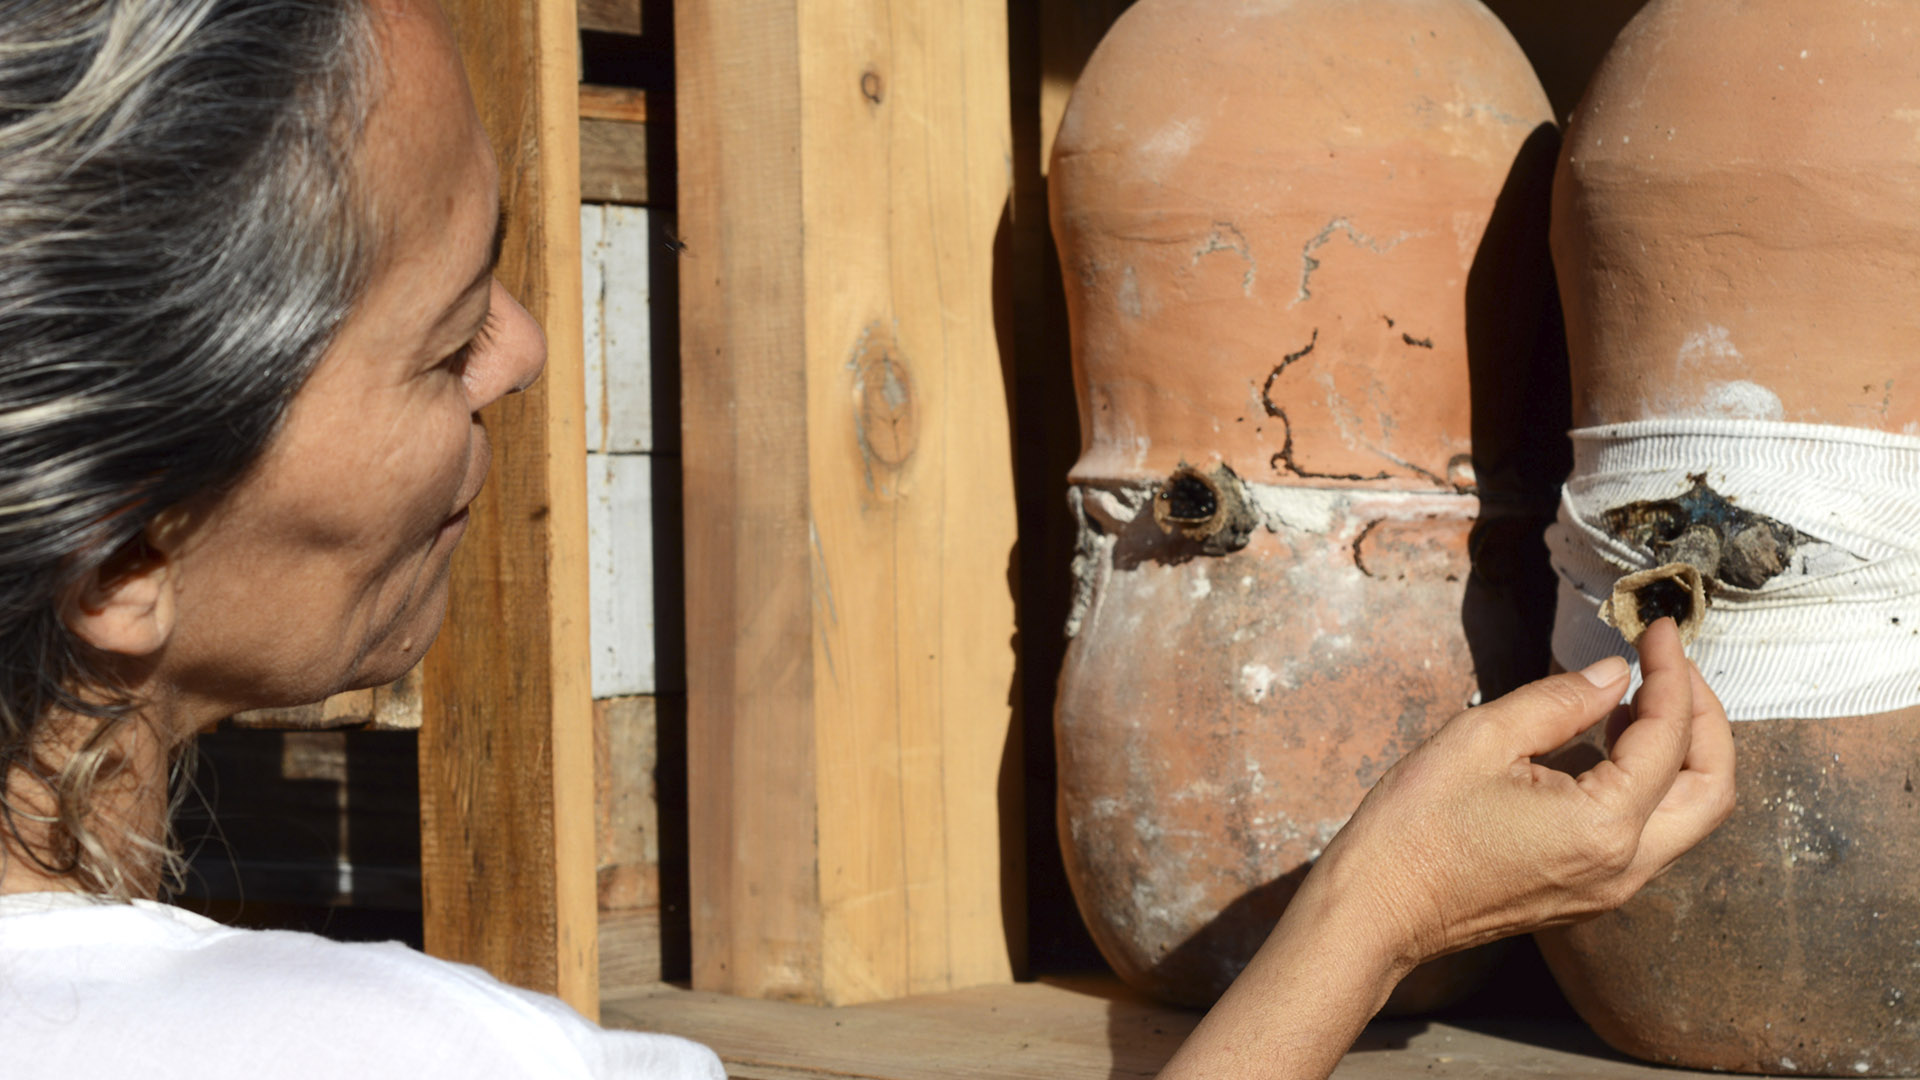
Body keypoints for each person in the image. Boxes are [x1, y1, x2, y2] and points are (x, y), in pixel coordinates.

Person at [0, 0, 1735, 1077]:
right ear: (124, 559)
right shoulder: (381, 1061)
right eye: (448, 339)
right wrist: (1383, 910)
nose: (523, 354)